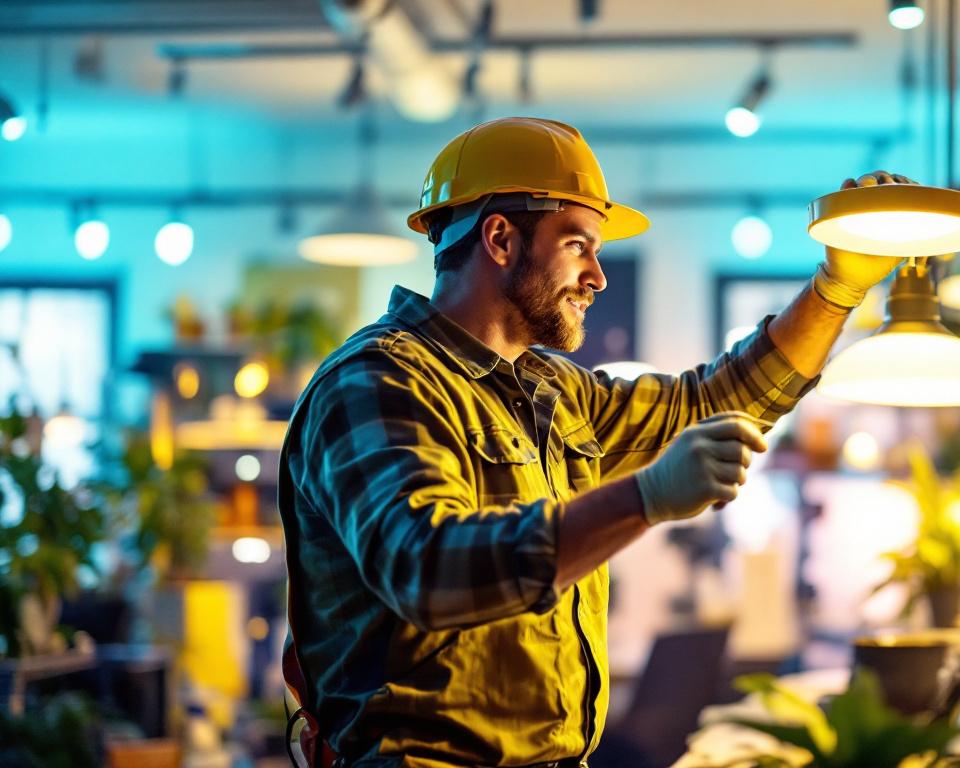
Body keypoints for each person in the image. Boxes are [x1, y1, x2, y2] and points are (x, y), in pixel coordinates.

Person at [278, 116, 906, 767]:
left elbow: (719, 400)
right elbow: (426, 568)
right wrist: (645, 497)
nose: (598, 276)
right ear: (499, 238)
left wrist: (839, 287)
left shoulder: (555, 389)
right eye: (578, 245)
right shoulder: (376, 381)